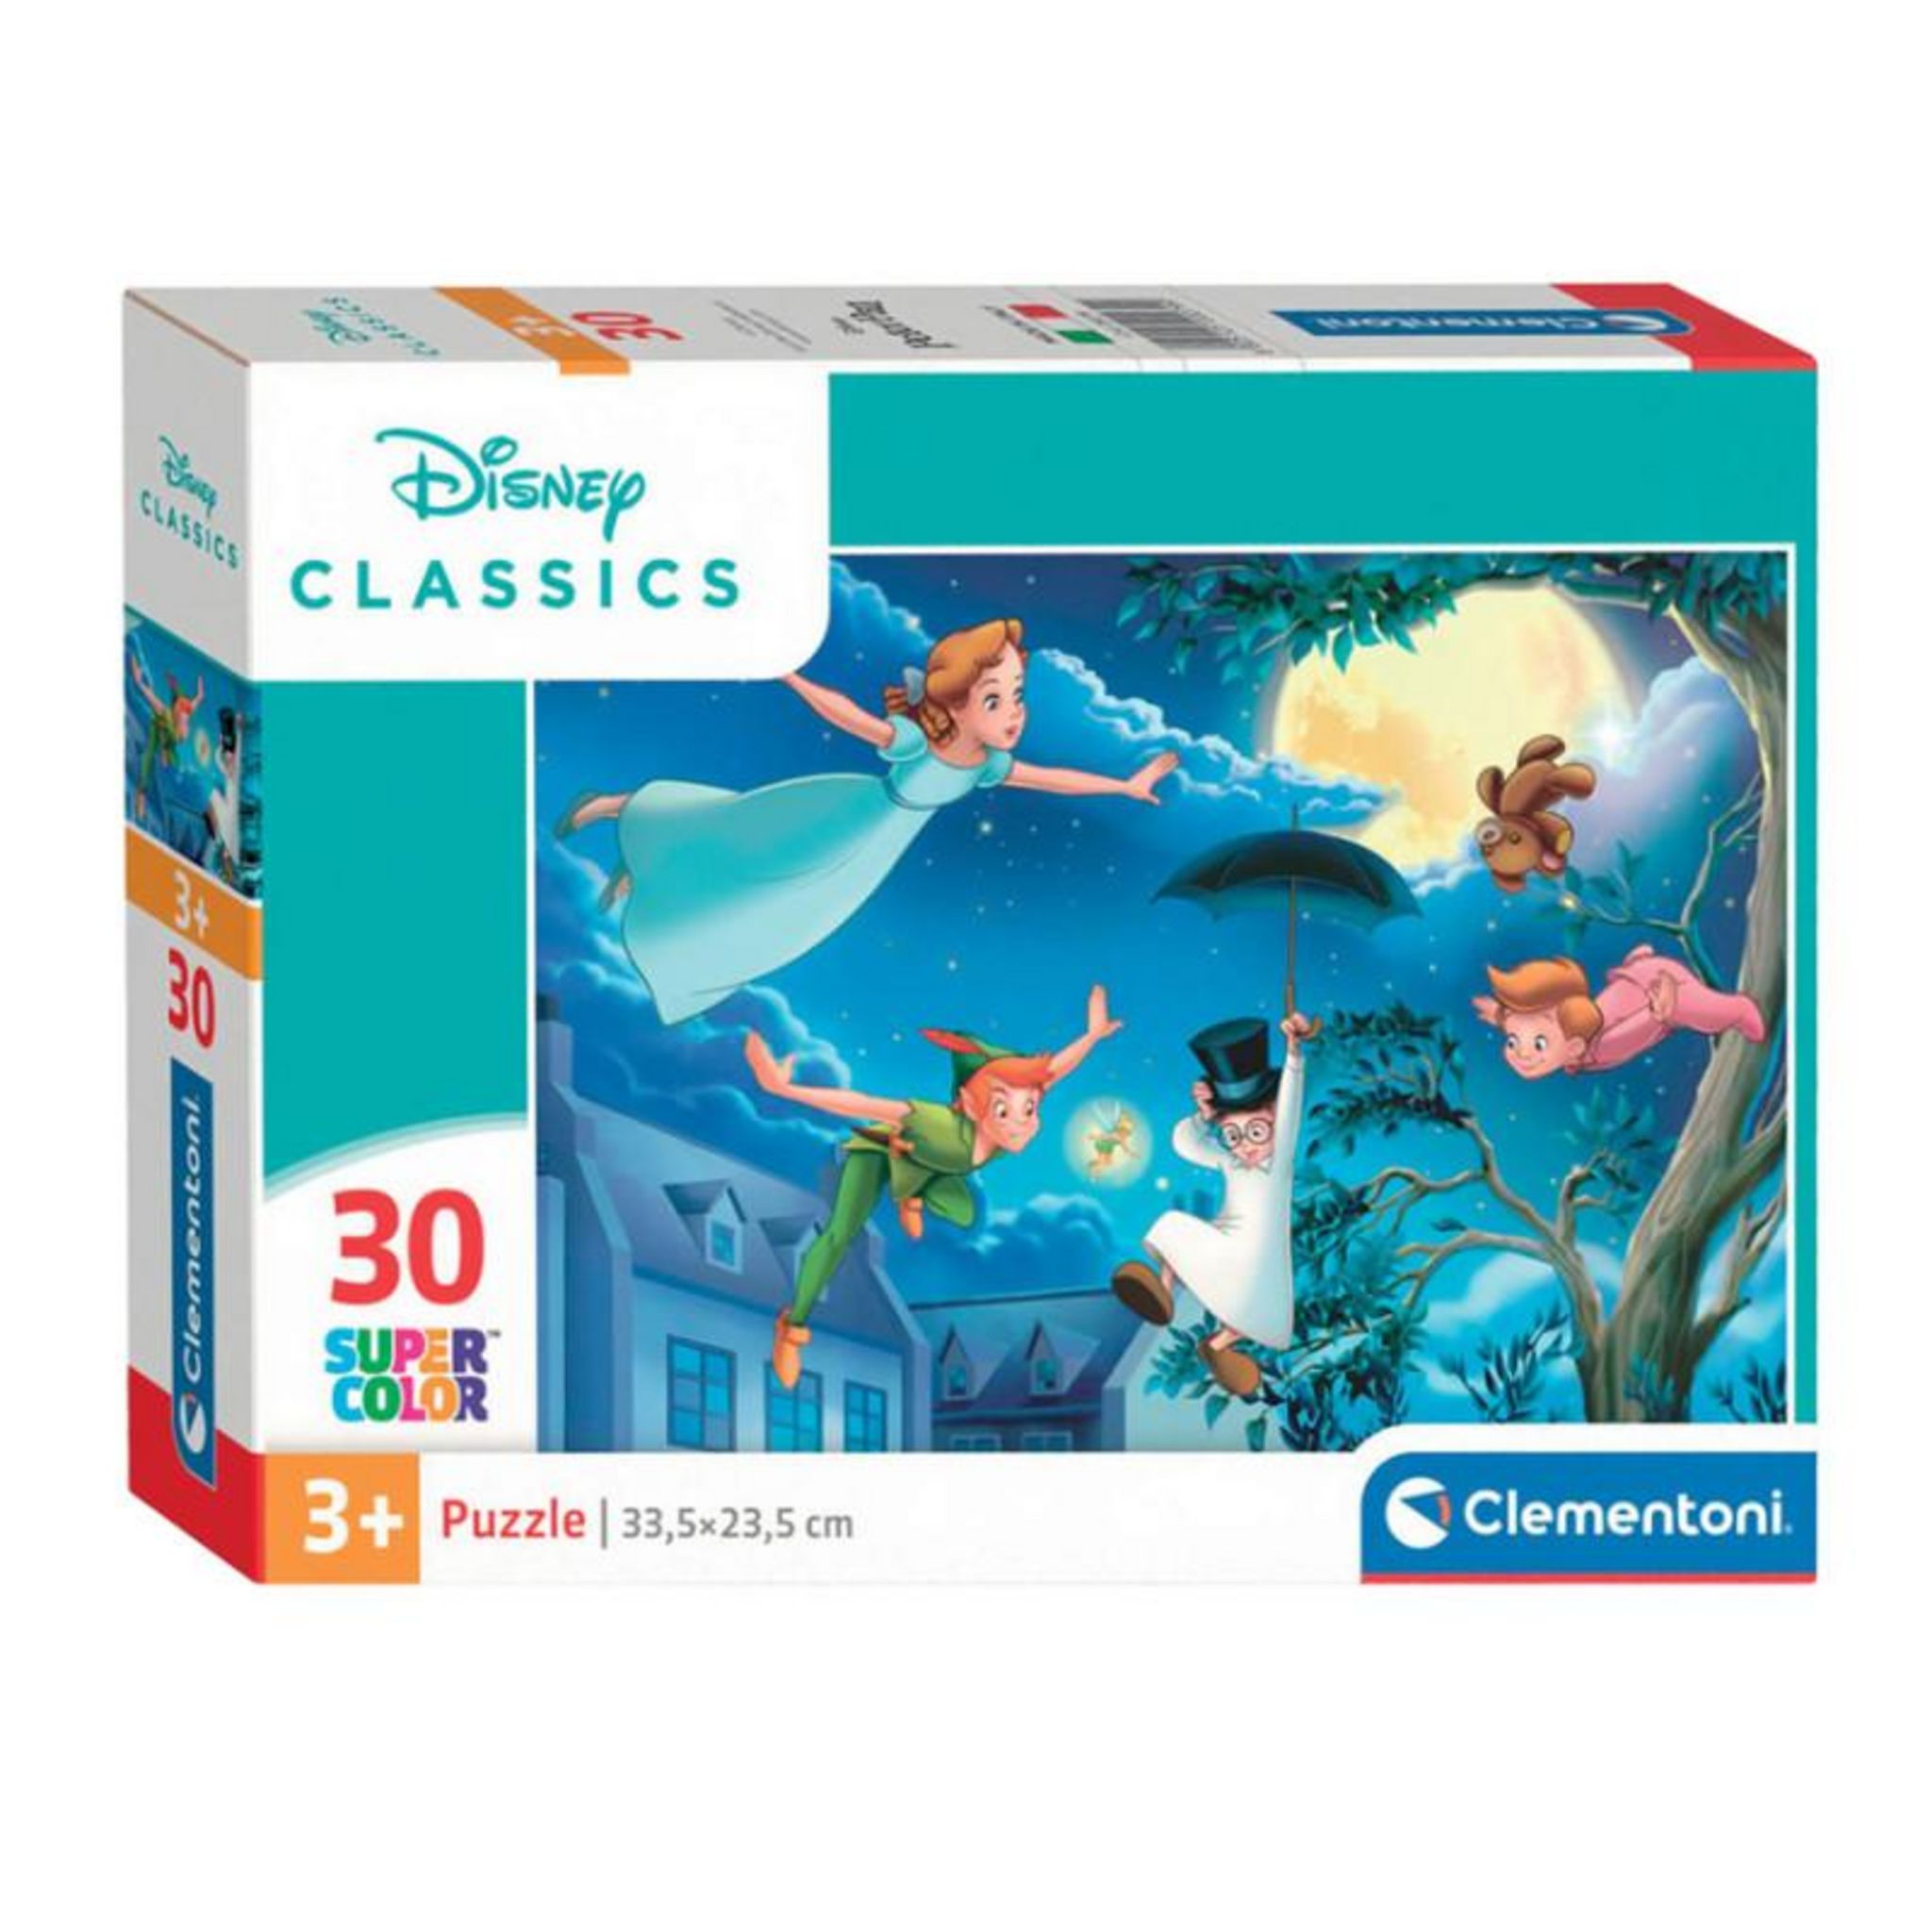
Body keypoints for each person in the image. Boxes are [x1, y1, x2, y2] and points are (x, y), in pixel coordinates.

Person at [554, 618, 1177, 1024]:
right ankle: (613, 808)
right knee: (737, 836)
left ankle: (654, 879)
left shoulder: (987, 764)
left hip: (869, 852)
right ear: (956, 705)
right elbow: (847, 715)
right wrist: (789, 672)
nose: (1014, 712)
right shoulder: (919, 743)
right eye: (995, 699)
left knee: (774, 908)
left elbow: (1054, 778)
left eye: (1016, 696)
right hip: (840, 814)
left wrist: (1126, 785)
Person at [746, 984, 1124, 1389]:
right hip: (882, 1155)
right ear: (971, 1104)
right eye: (1004, 1109)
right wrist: (783, 1089)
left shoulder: (1003, 1133)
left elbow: (1053, 1072)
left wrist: (1091, 1036)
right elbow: (864, 1103)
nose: (1021, 1122)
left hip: (931, 1165)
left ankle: (913, 1193)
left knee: (963, 1211)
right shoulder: (936, 1125)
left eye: (1029, 1108)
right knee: (841, 1233)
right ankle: (792, 1326)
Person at [1110, 1012, 1314, 1399]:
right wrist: (1204, 1118)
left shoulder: (1278, 1162)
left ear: (1274, 1119)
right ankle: (1169, 1298)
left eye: (1257, 1131)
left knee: (1251, 1303)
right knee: (1176, 1226)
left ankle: (1217, 1342)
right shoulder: (1231, 1160)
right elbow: (1185, 1143)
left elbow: (1290, 1105)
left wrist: (1294, 1053)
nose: (1246, 1145)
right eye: (1234, 1135)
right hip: (1230, 1248)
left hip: (1256, 1260)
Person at [1473, 945, 1766, 1079]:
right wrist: (1500, 1015)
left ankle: (1740, 1009)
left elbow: (1641, 1028)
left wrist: (1658, 1012)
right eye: (1512, 1040)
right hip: (1630, 983)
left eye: (1539, 1044)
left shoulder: (1603, 1046)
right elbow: (1531, 1021)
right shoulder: (1572, 1035)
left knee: (1709, 1016)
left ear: (1574, 1047)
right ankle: (1638, 960)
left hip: (1663, 989)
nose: (1522, 1053)